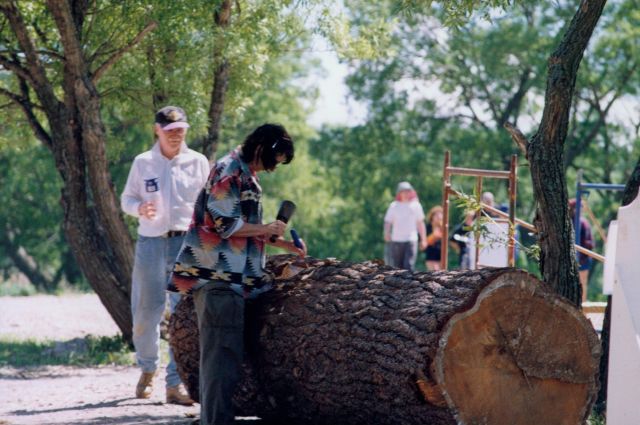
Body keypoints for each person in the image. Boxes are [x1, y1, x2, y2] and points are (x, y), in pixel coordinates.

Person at [167, 124, 307, 425]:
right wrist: (266, 229)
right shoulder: (229, 171)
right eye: (274, 161)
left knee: (227, 357)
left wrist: (280, 241)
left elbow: (245, 230)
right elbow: (225, 225)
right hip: (219, 279)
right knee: (221, 360)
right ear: (262, 149)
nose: (272, 169)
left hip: (236, 280)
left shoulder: (246, 175)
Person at [121, 106, 209, 405]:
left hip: (186, 243)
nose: (177, 135)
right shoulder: (143, 162)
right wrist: (138, 208)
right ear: (157, 130)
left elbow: (208, 202)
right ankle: (147, 369)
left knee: (183, 313)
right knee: (146, 313)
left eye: (181, 130)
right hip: (151, 242)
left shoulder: (198, 162)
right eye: (170, 131)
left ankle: (176, 383)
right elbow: (127, 198)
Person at [383, 182, 427, 271]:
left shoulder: (416, 206)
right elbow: (388, 222)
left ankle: (409, 284)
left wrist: (423, 239)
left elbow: (420, 223)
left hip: (411, 239)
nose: (406, 194)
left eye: (408, 192)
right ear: (400, 193)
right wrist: (387, 233)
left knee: (409, 265)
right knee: (397, 266)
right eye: (404, 192)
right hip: (397, 240)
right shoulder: (394, 206)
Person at [569, 198, 594, 302]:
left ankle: (582, 306)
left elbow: (589, 243)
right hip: (573, 258)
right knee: (576, 284)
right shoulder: (570, 222)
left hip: (582, 259)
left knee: (582, 283)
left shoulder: (583, 223)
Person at [424, 205, 444, 270]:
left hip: (441, 256)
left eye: (440, 215)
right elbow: (425, 242)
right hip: (430, 256)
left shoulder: (443, 228)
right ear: (432, 217)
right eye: (437, 215)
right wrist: (434, 236)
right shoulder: (427, 228)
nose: (439, 217)